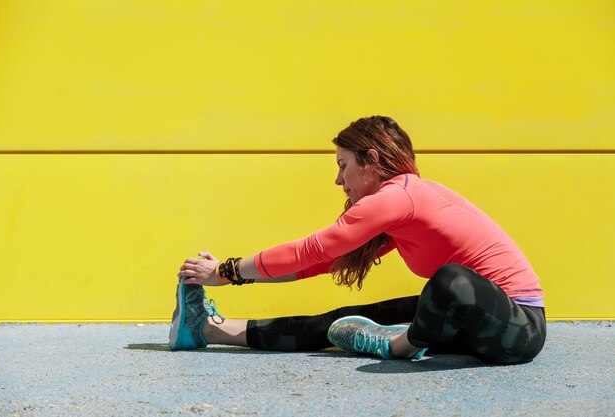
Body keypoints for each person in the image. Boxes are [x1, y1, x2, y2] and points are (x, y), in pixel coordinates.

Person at [168, 116, 546, 364]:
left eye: (342, 165)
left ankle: (399, 346)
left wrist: (225, 270)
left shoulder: (399, 197)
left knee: (450, 280)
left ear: (371, 160)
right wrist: (239, 278)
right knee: (343, 322)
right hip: (467, 323)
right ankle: (207, 328)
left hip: (519, 327)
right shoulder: (399, 205)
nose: (338, 180)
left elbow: (313, 248)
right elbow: (315, 264)